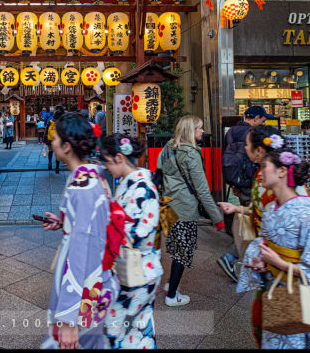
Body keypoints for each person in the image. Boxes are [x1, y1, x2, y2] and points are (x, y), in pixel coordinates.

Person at [237, 147, 310, 348]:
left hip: (299, 295)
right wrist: (263, 262)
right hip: (277, 293)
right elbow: (266, 244)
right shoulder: (272, 209)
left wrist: (279, 263)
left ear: (282, 171)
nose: (260, 171)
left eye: (265, 166)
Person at [40, 113, 117, 349]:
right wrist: (65, 222)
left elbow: (82, 251)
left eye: (55, 138)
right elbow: (91, 227)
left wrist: (69, 317)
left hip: (86, 283)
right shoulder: (92, 176)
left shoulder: (81, 187)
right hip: (96, 275)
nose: (51, 142)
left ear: (66, 147)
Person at [99, 133, 162, 348]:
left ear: (119, 158)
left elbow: (129, 236)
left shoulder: (142, 189)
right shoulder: (133, 185)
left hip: (136, 272)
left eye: (107, 161)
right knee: (137, 328)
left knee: (119, 331)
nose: (106, 167)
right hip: (136, 270)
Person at [157, 116, 225, 306]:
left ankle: (171, 283)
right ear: (190, 131)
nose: (202, 131)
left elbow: (159, 172)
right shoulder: (191, 154)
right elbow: (202, 190)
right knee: (182, 251)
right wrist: (217, 218)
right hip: (183, 209)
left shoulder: (168, 146)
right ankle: (172, 295)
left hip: (167, 205)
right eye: (199, 128)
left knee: (174, 248)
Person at [217, 106, 273, 282]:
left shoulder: (231, 131)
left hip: (238, 181)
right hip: (252, 181)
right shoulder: (252, 134)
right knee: (255, 219)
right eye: (262, 119)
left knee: (249, 218)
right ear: (256, 117)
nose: (263, 122)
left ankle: (238, 255)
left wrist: (234, 181)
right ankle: (232, 256)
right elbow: (253, 161)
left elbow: (228, 158)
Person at [46, 107, 63, 174]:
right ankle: (57, 168)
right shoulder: (61, 122)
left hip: (50, 140)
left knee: (50, 151)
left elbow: (46, 131)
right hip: (58, 140)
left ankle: (49, 162)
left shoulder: (50, 121)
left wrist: (45, 140)